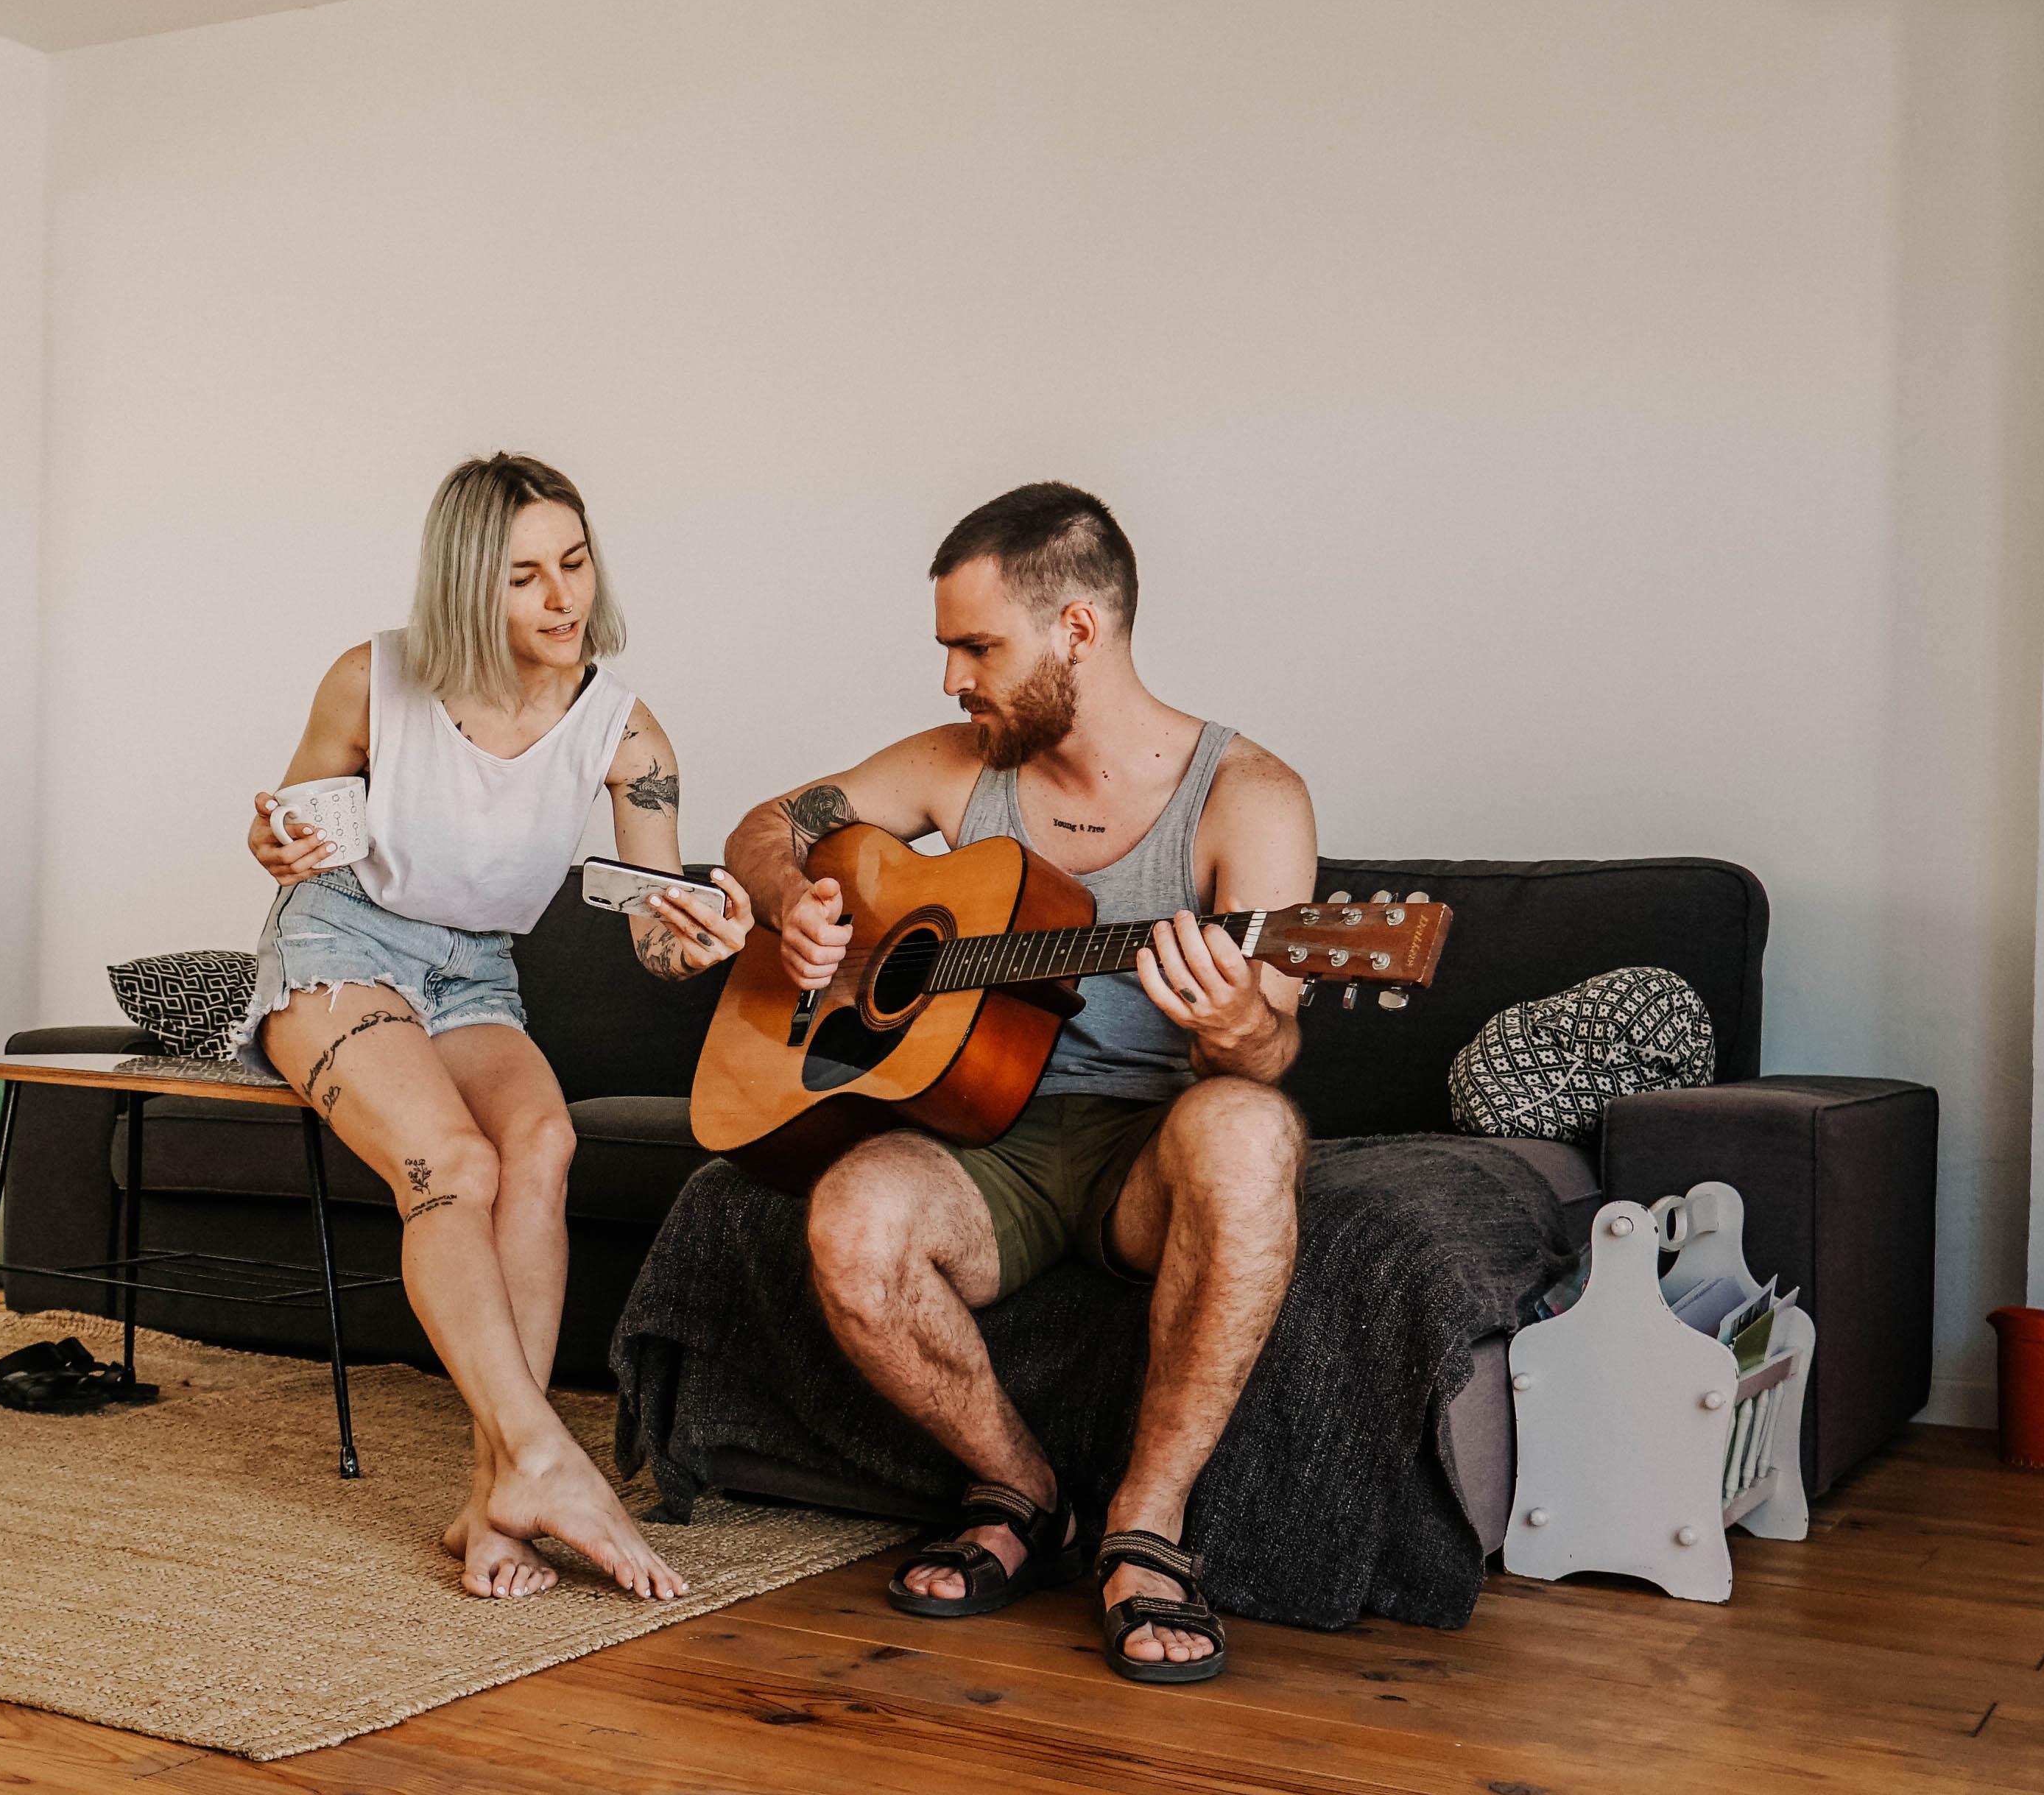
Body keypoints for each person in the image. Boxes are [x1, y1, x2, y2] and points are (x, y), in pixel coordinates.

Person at [720, 484, 1315, 1684]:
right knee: (851, 1212)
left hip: (1150, 1153)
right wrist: (796, 906)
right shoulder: (959, 767)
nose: (952, 678)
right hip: (983, 1134)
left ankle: (1145, 1528)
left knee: (1250, 1127)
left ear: (1079, 631)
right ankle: (1019, 1487)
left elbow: (1272, 1048)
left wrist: (1237, 1024)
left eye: (977, 646)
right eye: (949, 646)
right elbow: (769, 823)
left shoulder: (1249, 799)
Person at [250, 452, 752, 1601]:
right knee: (453, 1162)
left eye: (574, 564)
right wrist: (272, 839)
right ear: (470, 586)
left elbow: (652, 928)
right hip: (340, 944)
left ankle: (494, 1500)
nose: (564, 598)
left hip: (476, 973)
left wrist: (697, 934)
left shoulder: (628, 739)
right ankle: (543, 1459)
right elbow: (287, 830)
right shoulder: (370, 681)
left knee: (544, 1144)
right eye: (525, 576)